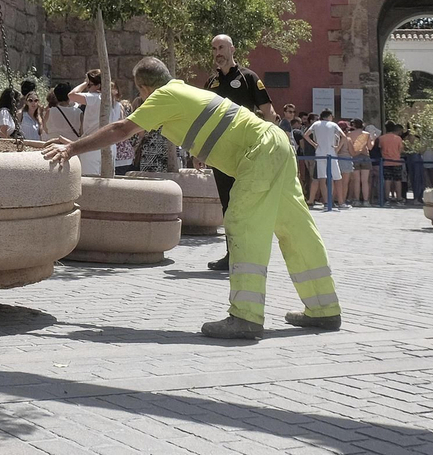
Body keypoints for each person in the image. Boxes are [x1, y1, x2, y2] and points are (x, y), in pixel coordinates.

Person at [42, 57, 342, 340]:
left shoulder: (162, 96)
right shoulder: (183, 90)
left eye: (141, 93)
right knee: (296, 229)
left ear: (144, 88)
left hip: (259, 150)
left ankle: (246, 317)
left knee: (243, 224)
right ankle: (324, 308)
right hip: (275, 142)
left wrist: (72, 149)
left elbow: (122, 129)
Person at [205, 34, 271, 271]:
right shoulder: (211, 83)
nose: (217, 52)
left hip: (246, 151)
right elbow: (204, 118)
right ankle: (232, 254)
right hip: (220, 153)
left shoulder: (248, 77)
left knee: (246, 203)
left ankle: (251, 254)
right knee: (228, 204)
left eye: (221, 47)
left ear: (232, 49)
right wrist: (198, 150)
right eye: (214, 49)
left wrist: (269, 143)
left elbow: (268, 112)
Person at [69, 70, 108, 177]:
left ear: (98, 85)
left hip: (92, 145)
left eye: (89, 85)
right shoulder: (114, 101)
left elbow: (72, 95)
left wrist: (85, 82)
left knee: (89, 179)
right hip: (109, 145)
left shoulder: (94, 97)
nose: (87, 88)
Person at [306, 109, 345, 208]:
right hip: (331, 153)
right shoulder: (333, 125)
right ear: (329, 116)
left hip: (320, 153)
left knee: (322, 178)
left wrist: (314, 144)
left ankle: (327, 201)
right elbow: (343, 136)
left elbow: (306, 135)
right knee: (337, 178)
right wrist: (337, 148)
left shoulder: (316, 124)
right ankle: (340, 201)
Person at [377, 121, 405, 204]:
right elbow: (401, 150)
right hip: (396, 161)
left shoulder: (381, 138)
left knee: (387, 180)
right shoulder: (398, 138)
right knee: (398, 180)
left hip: (386, 162)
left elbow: (380, 148)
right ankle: (399, 198)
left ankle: (387, 198)